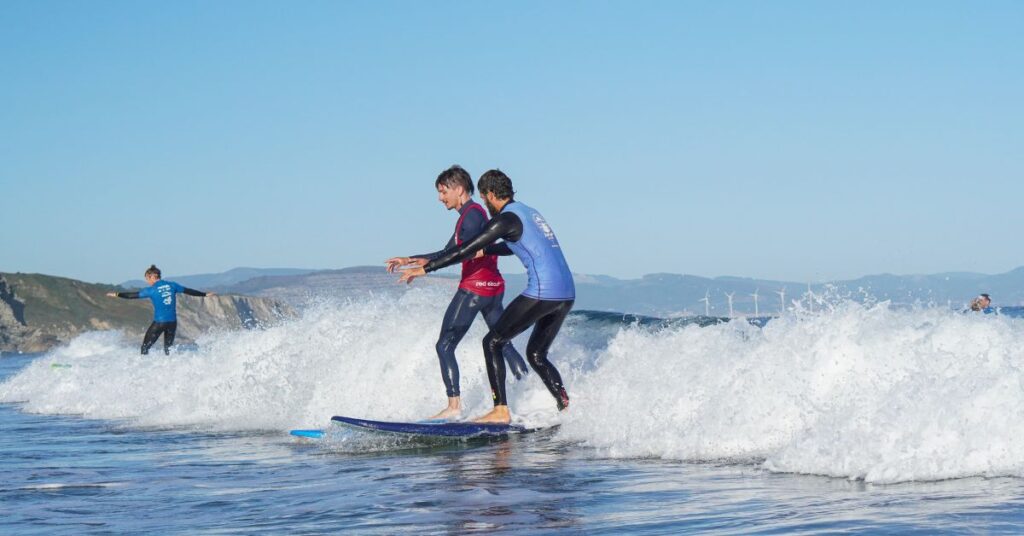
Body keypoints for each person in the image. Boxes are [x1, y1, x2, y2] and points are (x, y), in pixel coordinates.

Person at [399, 169, 574, 424]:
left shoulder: (504, 219)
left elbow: (464, 250)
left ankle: (500, 410)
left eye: (484, 199)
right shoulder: (529, 213)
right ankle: (566, 408)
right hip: (566, 294)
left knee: (492, 342)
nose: (484, 205)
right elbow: (514, 246)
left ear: (490, 195)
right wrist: (489, 250)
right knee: (536, 355)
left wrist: (426, 268)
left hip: (543, 291)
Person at [386, 165, 529, 420]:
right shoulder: (471, 215)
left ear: (459, 189)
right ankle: (531, 394)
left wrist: (424, 270)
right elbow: (446, 252)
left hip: (474, 288)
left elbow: (456, 255)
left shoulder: (472, 216)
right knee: (502, 344)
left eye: (443, 192)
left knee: (444, 345)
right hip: (493, 287)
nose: (440, 198)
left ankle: (453, 407)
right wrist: (409, 259)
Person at [106, 265, 214, 355]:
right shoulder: (172, 285)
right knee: (168, 350)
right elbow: (188, 291)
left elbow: (131, 296)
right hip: (172, 323)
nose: (147, 281)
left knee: (144, 349)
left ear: (152, 277)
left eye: (147, 279)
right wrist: (204, 294)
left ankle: (145, 373)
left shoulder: (151, 290)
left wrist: (116, 294)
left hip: (159, 323)